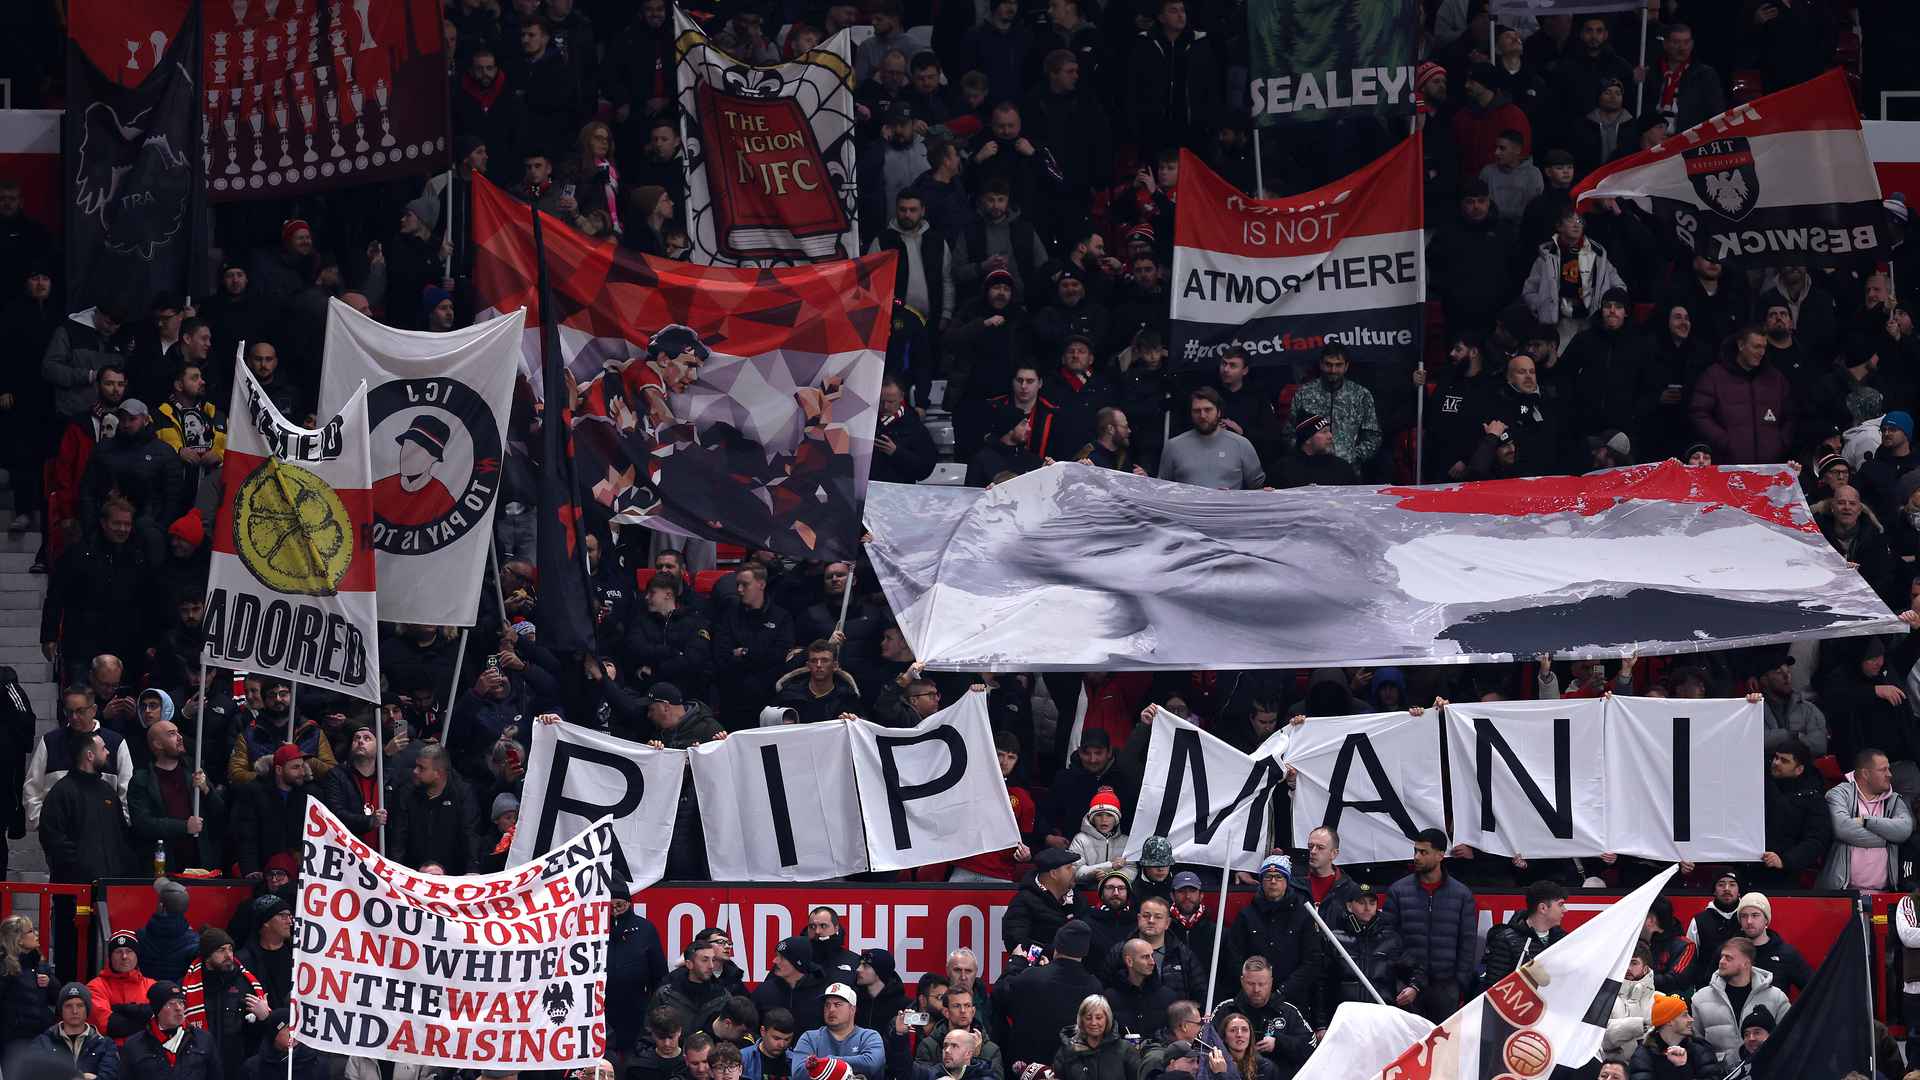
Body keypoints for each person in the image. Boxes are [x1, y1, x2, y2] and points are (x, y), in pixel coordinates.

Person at [1385, 830, 1479, 1021]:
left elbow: (1467, 943)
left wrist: (1459, 984)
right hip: (1407, 985)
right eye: (1415, 851)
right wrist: (1400, 979)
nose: (1416, 857)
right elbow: (1388, 938)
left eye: (1423, 852)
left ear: (1440, 855)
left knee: (1444, 1040)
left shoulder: (1462, 895)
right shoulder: (1398, 891)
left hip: (1446, 987)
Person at [995, 922, 1104, 1069]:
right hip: (1073, 1069)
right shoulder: (1094, 987)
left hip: (1029, 1069)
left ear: (1057, 947)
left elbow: (1000, 995)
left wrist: (1016, 962)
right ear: (1084, 952)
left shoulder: (1032, 977)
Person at [1223, 855, 1321, 1007]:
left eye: (1279, 877)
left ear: (1287, 881)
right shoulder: (1246, 915)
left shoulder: (1303, 915)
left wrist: (1283, 991)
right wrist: (1253, 988)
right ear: (1261, 881)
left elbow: (1311, 960)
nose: (1273, 881)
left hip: (1292, 1000)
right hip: (1252, 998)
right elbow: (1234, 957)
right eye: (1268, 877)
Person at [1689, 326, 1796, 465]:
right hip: (1729, 465)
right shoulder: (1714, 376)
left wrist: (1780, 443)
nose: (1761, 352)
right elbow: (1699, 412)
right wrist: (1723, 441)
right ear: (1740, 345)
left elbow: (1791, 416)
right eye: (1756, 347)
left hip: (1769, 467)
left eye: (1764, 347)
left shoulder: (1776, 379)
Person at [38, 729, 132, 885]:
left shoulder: (107, 791)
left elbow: (120, 835)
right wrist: (79, 866)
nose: (108, 752)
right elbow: (52, 838)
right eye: (103, 748)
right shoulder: (62, 792)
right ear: (90, 755)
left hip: (110, 883)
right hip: (74, 886)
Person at [1322, 883, 1423, 1018]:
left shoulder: (1391, 939)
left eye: (1372, 903)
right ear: (1349, 906)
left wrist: (1414, 987)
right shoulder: (1334, 939)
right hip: (1346, 1017)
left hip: (1381, 1015)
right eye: (1361, 902)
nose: (1367, 907)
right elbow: (1321, 983)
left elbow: (1417, 969)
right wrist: (1321, 1023)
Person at [1819, 747, 1913, 891]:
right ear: (1866, 774)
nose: (1889, 774)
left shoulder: (1894, 800)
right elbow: (1842, 829)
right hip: (1843, 892)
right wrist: (1889, 839)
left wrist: (1866, 821)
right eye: (1883, 770)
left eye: (1888, 769)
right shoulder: (1839, 794)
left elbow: (1904, 830)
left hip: (1884, 893)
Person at [1692, 938, 1790, 1062]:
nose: (1721, 962)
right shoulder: (1700, 999)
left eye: (1729, 958)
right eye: (1722, 957)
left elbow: (1788, 1038)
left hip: (1765, 1069)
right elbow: (1696, 1045)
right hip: (1719, 1071)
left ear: (1746, 964)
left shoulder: (1776, 997)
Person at [1287, 345, 1380, 470]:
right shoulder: (1304, 393)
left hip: (1348, 470)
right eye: (1328, 364)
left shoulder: (1361, 395)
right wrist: (1306, 454)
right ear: (1321, 364)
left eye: (1338, 365)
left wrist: (1353, 457)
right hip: (1310, 470)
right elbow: (1289, 433)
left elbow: (1373, 437)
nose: (1333, 370)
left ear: (1346, 366)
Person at [1159, 389, 1264, 489]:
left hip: (1226, 502)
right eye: (1197, 411)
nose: (1202, 415)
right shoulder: (1174, 446)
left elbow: (1257, 488)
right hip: (1186, 502)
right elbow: (1162, 487)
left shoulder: (1241, 444)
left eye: (1208, 410)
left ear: (1219, 412)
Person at [122, 982, 218, 1080]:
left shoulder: (203, 1039)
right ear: (157, 1010)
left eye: (181, 1002)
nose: (178, 1008)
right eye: (171, 1003)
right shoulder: (134, 1045)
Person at [1481, 881, 1567, 988]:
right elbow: (1494, 989)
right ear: (1543, 908)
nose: (1565, 910)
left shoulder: (1563, 939)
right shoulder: (1506, 940)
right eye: (1560, 904)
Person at [793, 983, 884, 1080]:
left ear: (852, 1009)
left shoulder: (869, 1036)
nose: (831, 1009)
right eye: (827, 1005)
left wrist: (827, 1062)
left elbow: (871, 1064)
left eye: (837, 1004)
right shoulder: (810, 1038)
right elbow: (798, 1073)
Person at [912, 982, 1001, 1079]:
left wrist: (975, 1058)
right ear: (946, 1012)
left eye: (967, 1005)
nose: (963, 1010)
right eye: (956, 1006)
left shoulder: (990, 1050)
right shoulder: (929, 1046)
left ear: (973, 1012)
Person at [1003, 848, 1085, 952]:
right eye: (1069, 867)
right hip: (1039, 961)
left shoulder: (1077, 898)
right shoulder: (1024, 901)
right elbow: (1016, 942)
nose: (1074, 871)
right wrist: (1051, 954)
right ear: (1054, 874)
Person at [1733, 893, 1812, 996]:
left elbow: (1814, 990)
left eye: (1755, 915)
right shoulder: (1728, 952)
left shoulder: (1786, 954)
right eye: (1744, 916)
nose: (1749, 921)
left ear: (1766, 919)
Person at [35, 981, 119, 1077]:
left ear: (87, 1009)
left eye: (80, 1006)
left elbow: (110, 1075)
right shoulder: (42, 1043)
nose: (74, 1011)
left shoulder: (105, 1045)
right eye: (68, 1006)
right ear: (61, 1010)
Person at [1627, 994, 1719, 1078]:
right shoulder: (1644, 1054)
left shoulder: (1700, 1048)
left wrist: (1682, 1067)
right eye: (1685, 1015)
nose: (1691, 1019)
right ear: (1669, 1021)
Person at [755, 937, 831, 1037]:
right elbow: (750, 1027)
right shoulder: (764, 991)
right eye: (776, 956)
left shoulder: (824, 993)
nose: (775, 961)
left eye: (782, 958)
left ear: (798, 963)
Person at [87, 929, 153, 1040]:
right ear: (110, 957)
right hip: (109, 1048)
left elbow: (163, 1021)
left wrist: (121, 1010)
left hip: (147, 1049)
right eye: (118, 952)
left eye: (129, 951)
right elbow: (106, 1025)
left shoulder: (151, 986)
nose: (124, 956)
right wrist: (145, 1022)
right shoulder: (95, 987)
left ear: (137, 956)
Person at [1602, 946, 1658, 1064]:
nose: (1628, 968)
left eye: (1634, 963)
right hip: (1610, 1066)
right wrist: (1638, 1025)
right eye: (1625, 962)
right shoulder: (1605, 998)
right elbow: (1601, 1037)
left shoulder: (1659, 999)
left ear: (1645, 968)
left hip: (1648, 1066)